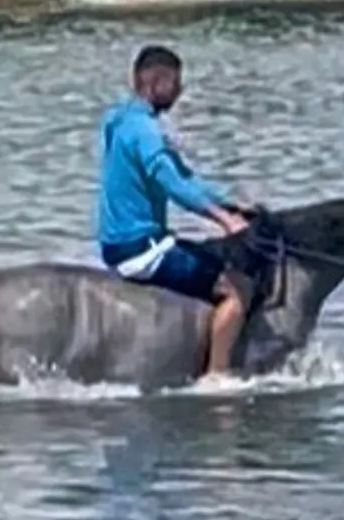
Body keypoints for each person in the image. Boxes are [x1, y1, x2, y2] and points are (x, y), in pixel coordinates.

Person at [95, 43, 253, 376]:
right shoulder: (146, 132)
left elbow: (185, 177)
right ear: (155, 83)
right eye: (175, 83)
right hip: (143, 249)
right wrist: (225, 220)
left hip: (115, 246)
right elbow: (176, 187)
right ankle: (218, 375)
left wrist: (231, 203)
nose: (180, 90)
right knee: (237, 288)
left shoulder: (120, 119)